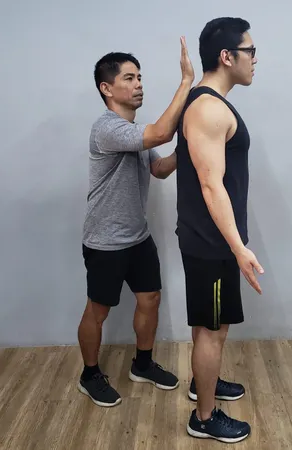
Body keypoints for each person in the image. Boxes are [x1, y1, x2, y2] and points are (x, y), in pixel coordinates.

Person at [77, 37, 195, 408]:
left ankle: (142, 364)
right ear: (107, 88)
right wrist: (186, 83)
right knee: (98, 311)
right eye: (129, 78)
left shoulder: (134, 133)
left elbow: (158, 168)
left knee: (151, 299)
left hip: (137, 237)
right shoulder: (108, 128)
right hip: (105, 241)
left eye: (140, 76)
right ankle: (90, 374)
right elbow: (159, 132)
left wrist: (184, 149)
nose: (139, 83)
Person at [175, 18, 262, 443]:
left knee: (213, 325)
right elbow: (211, 185)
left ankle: (202, 384)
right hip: (211, 242)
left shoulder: (207, 103)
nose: (255, 59)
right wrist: (238, 247)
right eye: (250, 51)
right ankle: (204, 417)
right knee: (210, 330)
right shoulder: (209, 108)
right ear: (227, 57)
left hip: (211, 239)